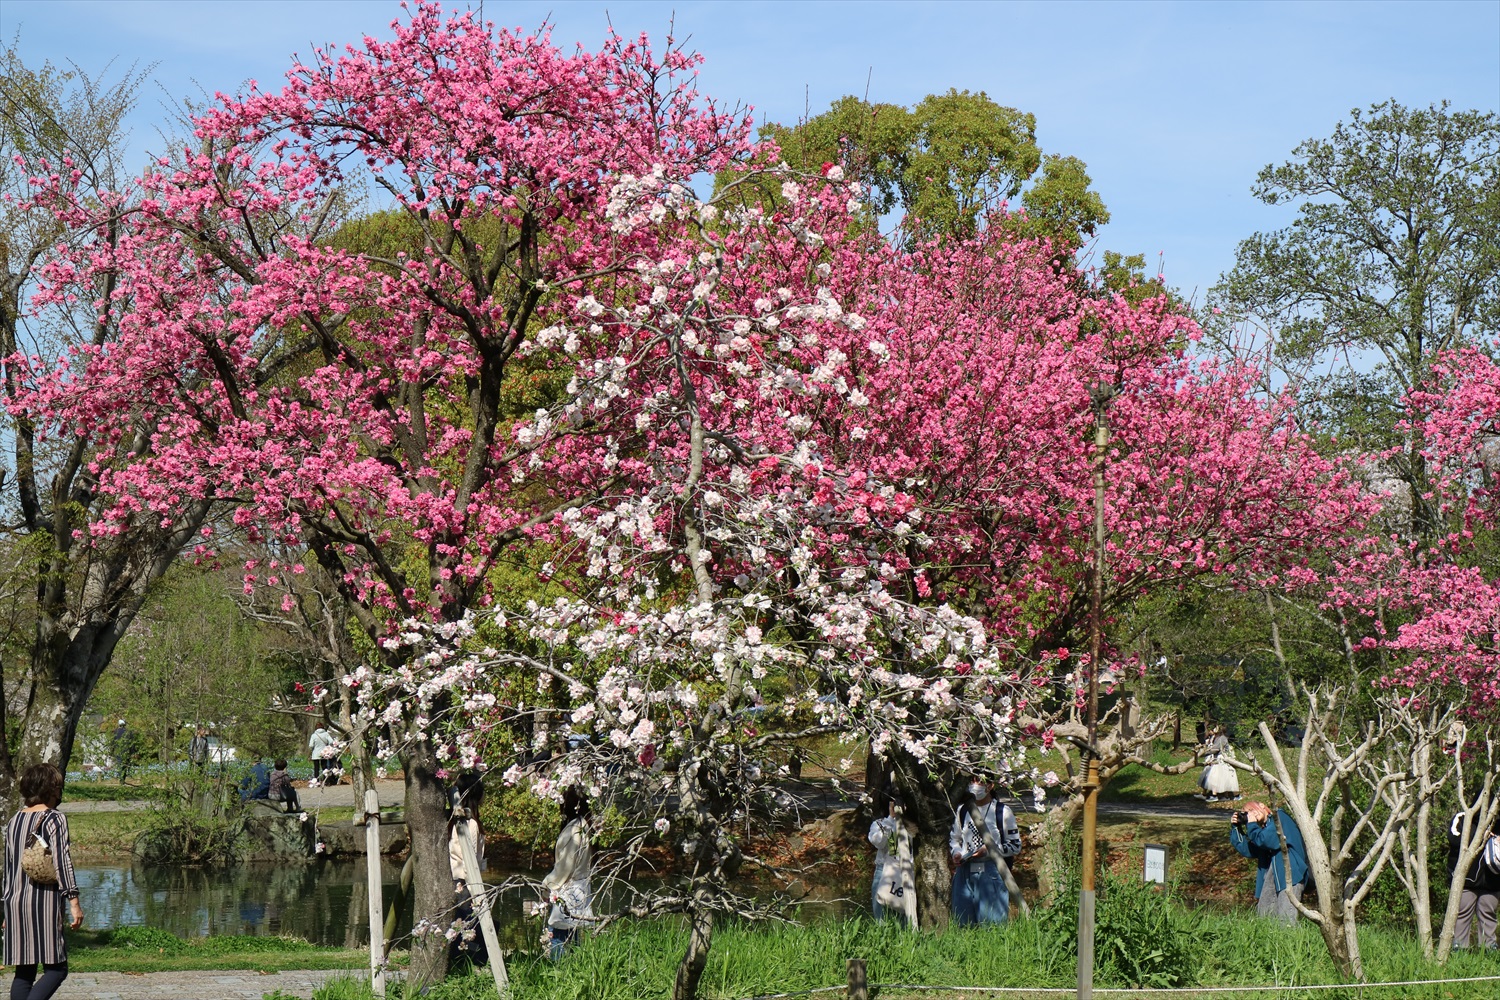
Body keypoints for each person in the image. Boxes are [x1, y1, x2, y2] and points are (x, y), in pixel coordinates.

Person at [3, 762, 83, 1000]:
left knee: (24, 972)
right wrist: (74, 901)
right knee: (57, 969)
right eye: (57, 787)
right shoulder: (54, 819)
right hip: (44, 902)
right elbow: (62, 861)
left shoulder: (14, 820)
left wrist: (6, 909)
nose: (59, 792)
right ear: (50, 789)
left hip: (15, 902)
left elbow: (9, 868)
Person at [949, 773, 1022, 925]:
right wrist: (957, 853)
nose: (975, 785)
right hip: (965, 869)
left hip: (991, 870)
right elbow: (955, 838)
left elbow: (1015, 846)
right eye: (971, 781)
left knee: (992, 923)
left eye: (980, 781)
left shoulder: (1002, 811)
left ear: (990, 786)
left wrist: (989, 850)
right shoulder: (962, 810)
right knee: (963, 922)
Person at [1230, 801, 1308, 924]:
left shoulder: (1279, 817)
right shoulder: (1262, 830)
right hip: (1271, 878)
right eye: (1247, 814)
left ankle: (1290, 937)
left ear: (1262, 805)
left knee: (1286, 920)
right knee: (1265, 920)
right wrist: (1236, 828)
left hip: (1290, 875)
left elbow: (1267, 840)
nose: (1251, 815)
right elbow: (1248, 850)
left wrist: (1252, 825)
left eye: (1251, 810)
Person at [542, 786, 594, 958]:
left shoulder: (574, 831)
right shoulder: (584, 825)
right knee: (572, 934)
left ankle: (558, 971)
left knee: (558, 934)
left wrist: (546, 886)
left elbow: (564, 867)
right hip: (579, 887)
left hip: (569, 888)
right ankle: (572, 970)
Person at [447, 771, 488, 970]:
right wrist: (476, 891)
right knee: (469, 926)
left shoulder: (457, 821)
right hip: (464, 882)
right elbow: (469, 860)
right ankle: (467, 964)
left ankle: (463, 963)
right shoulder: (469, 824)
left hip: (458, 879)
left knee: (462, 926)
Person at [1446, 810, 1500, 949]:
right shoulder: (1463, 817)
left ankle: (1489, 950)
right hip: (1466, 880)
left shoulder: (1498, 821)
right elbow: (1454, 838)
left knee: (1488, 914)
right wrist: (1481, 836)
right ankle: (1459, 950)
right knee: (1461, 913)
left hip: (1492, 881)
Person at [869, 793, 916, 925]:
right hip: (884, 871)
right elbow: (880, 843)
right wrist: (891, 819)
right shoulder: (880, 824)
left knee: (905, 920)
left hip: (908, 873)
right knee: (882, 919)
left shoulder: (912, 826)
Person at [1198, 727, 1240, 803]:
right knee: (1218, 778)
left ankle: (1215, 795)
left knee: (1215, 777)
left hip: (1222, 760)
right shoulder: (1216, 738)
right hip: (1218, 759)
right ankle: (1222, 796)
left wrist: (1204, 753)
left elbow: (1216, 749)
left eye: (1212, 729)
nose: (1210, 731)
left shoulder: (1222, 738)